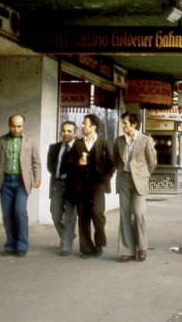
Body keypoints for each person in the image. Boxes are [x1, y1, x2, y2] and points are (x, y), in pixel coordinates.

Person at [0, 114, 41, 257]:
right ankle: (10, 245)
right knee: (7, 215)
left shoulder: (30, 141)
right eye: (13, 126)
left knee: (19, 212)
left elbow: (36, 162)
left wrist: (37, 178)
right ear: (9, 125)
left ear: (23, 126)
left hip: (22, 182)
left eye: (19, 126)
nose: (16, 129)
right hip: (5, 182)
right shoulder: (0, 141)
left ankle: (21, 246)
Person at [67, 114, 114, 259]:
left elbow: (112, 164)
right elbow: (68, 163)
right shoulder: (77, 144)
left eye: (84, 123)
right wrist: (77, 163)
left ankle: (99, 242)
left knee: (97, 213)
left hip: (98, 185)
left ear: (93, 127)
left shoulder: (104, 143)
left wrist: (105, 179)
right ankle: (87, 248)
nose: (82, 126)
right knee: (83, 217)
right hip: (81, 185)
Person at [112, 111, 156, 262]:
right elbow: (115, 159)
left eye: (125, 123)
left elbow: (152, 162)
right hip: (124, 179)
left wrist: (142, 174)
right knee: (124, 215)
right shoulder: (119, 140)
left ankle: (142, 247)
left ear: (134, 124)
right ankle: (127, 250)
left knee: (138, 213)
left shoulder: (146, 140)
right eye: (122, 123)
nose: (123, 126)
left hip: (140, 181)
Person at [46, 121, 78, 256]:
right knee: (55, 213)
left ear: (75, 133)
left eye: (69, 131)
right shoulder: (54, 148)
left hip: (73, 185)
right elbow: (50, 166)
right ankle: (68, 235)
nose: (66, 133)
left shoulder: (79, 148)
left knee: (70, 216)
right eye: (64, 131)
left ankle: (66, 246)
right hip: (57, 184)